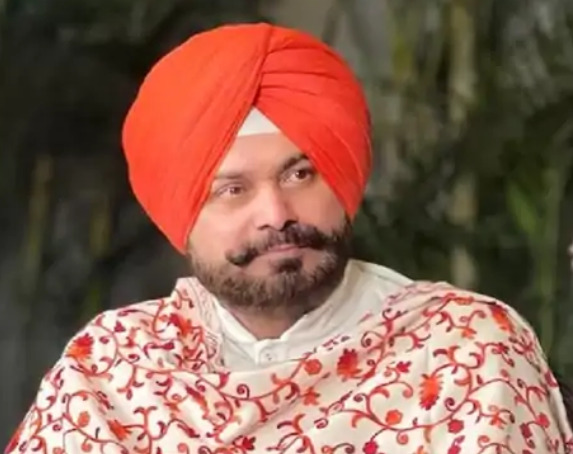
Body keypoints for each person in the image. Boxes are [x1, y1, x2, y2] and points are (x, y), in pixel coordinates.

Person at [5, 22, 573, 454]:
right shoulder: (112, 368)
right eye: (233, 190)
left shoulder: (465, 348)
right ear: (180, 217)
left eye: (300, 175)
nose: (276, 214)